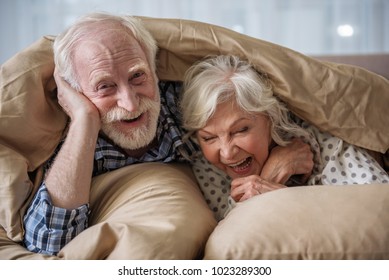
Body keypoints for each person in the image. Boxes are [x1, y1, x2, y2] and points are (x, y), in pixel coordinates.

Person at [22, 12, 200, 256]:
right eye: (105, 86)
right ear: (75, 93)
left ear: (154, 69)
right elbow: (47, 246)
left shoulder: (188, 105)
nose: (130, 104)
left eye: (137, 76)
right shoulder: (62, 136)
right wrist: (84, 119)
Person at [180, 55, 389, 220]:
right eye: (209, 138)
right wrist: (272, 177)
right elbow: (232, 242)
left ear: (270, 118)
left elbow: (377, 216)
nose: (226, 152)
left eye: (240, 130)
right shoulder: (206, 168)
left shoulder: (328, 145)